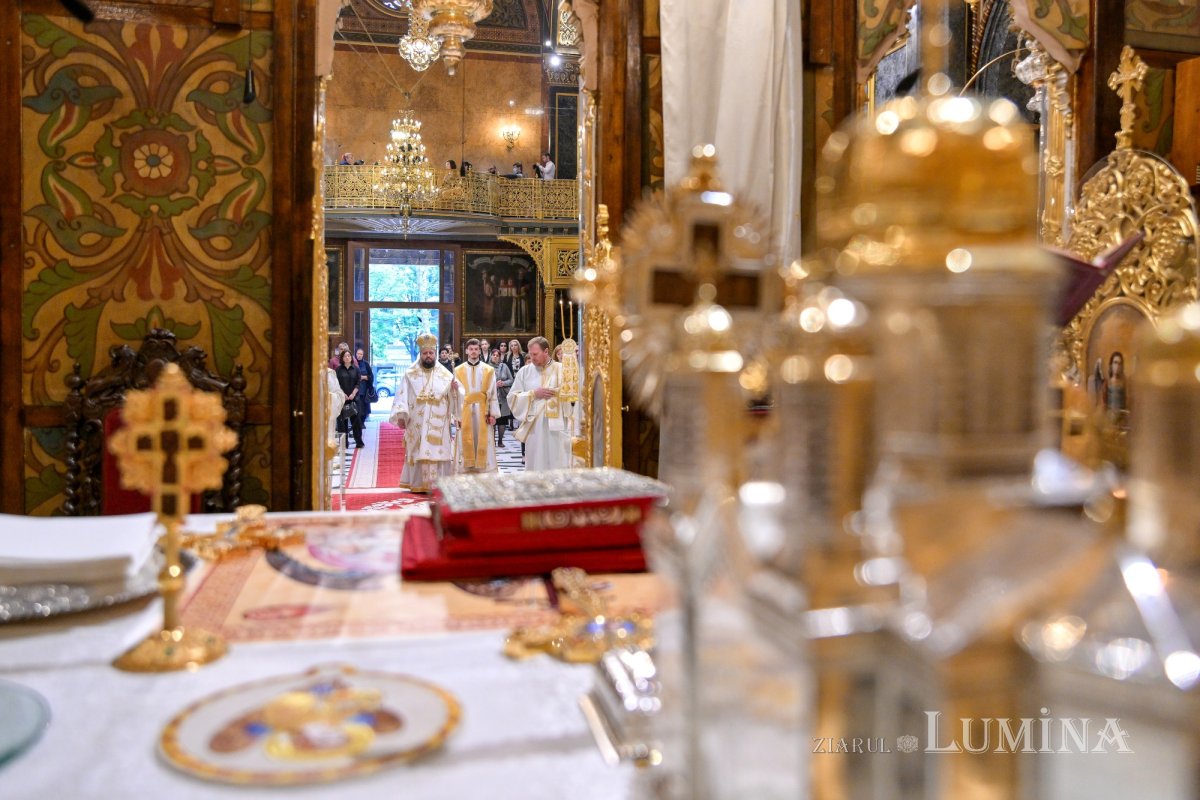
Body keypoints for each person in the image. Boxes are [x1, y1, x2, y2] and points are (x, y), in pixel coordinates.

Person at [390, 333, 461, 492]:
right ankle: (418, 483)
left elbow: (455, 396)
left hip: (439, 421)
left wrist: (455, 390)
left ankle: (439, 484)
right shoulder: (410, 373)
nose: (428, 356)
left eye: (431, 353)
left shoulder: (446, 375)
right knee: (417, 450)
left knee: (437, 451)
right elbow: (402, 395)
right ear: (420, 354)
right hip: (416, 421)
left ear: (435, 354)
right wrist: (401, 416)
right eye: (425, 353)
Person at [508, 337, 575, 471]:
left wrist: (560, 393)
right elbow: (512, 398)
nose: (532, 358)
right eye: (530, 354)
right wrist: (533, 394)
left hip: (558, 428)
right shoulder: (524, 371)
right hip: (534, 429)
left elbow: (573, 399)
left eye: (535, 354)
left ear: (546, 351)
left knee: (556, 462)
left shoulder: (562, 370)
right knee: (535, 463)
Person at [454, 339, 500, 473]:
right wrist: (456, 416)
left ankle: (483, 469)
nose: (473, 352)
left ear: (480, 351)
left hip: (483, 410)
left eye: (476, 349)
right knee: (466, 438)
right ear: (466, 351)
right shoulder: (458, 370)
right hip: (465, 410)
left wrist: (493, 414)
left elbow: (493, 393)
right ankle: (466, 468)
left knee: (483, 439)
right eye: (471, 349)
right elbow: (456, 396)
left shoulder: (489, 370)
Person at [335, 350, 365, 448]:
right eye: (345, 356)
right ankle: (344, 443)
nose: (347, 357)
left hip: (354, 398)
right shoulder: (338, 370)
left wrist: (353, 393)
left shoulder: (356, 369)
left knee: (356, 421)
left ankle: (359, 442)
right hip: (342, 399)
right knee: (342, 422)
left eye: (349, 356)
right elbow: (336, 384)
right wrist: (343, 394)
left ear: (351, 357)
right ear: (342, 358)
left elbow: (358, 383)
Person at [491, 347, 515, 447]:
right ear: (491, 356)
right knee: (492, 420)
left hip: (503, 397)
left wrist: (503, 383)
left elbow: (511, 380)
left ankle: (500, 441)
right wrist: (494, 384)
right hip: (491, 398)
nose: (495, 357)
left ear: (500, 357)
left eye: (497, 355)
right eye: (493, 355)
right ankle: (492, 441)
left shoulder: (504, 366)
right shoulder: (486, 367)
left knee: (502, 421)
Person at [355, 346, 375, 420]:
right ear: (356, 354)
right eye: (358, 354)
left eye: (361, 354)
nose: (359, 355)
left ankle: (362, 422)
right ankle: (357, 423)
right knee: (356, 407)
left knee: (364, 407)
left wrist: (363, 377)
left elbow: (371, 376)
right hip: (355, 389)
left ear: (363, 355)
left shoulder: (366, 364)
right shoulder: (353, 363)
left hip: (364, 389)